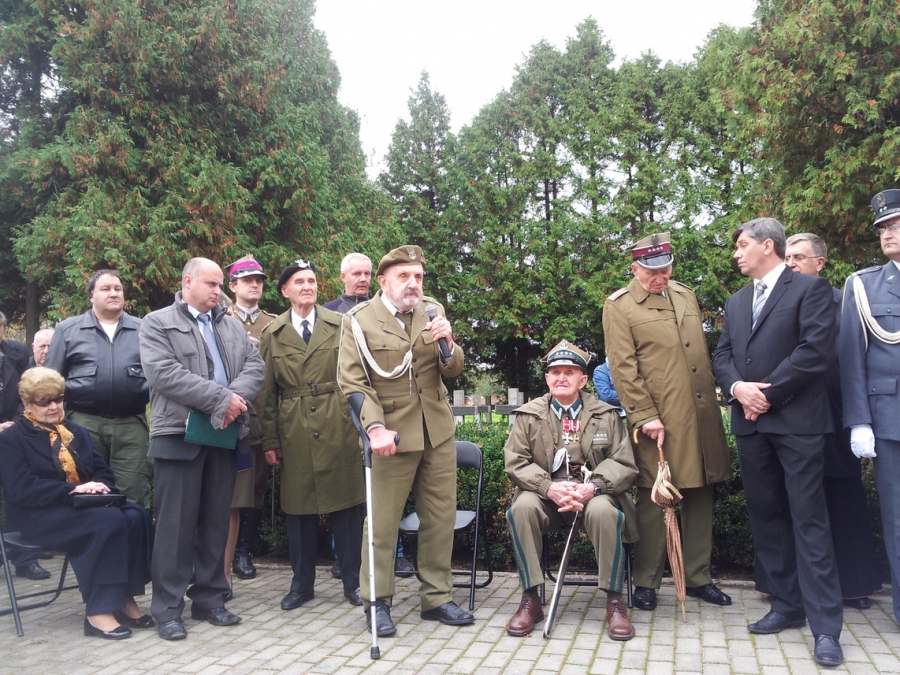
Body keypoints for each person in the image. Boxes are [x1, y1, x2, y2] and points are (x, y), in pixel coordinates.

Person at [713, 217, 843, 667]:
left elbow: (814, 351)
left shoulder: (810, 289)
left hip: (797, 424)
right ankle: (787, 606)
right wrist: (738, 389)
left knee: (810, 521)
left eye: (742, 245)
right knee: (767, 517)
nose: (736, 254)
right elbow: (723, 355)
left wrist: (765, 395)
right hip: (751, 427)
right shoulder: (737, 300)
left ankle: (826, 627)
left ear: (768, 246)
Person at [338, 244, 472, 636]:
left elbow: (453, 369)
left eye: (418, 276)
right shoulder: (359, 320)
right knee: (382, 524)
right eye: (404, 276)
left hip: (436, 433)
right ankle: (377, 601)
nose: (413, 283)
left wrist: (449, 343)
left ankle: (437, 598)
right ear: (383, 281)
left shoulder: (432, 311)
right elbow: (353, 381)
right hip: (390, 435)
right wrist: (374, 428)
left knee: (440, 518)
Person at [603, 233, 732, 612]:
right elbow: (622, 367)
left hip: (701, 415)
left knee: (701, 491)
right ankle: (646, 581)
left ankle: (698, 577)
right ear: (635, 268)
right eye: (651, 272)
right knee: (655, 496)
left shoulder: (685, 295)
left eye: (666, 270)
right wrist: (644, 415)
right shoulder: (619, 306)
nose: (660, 278)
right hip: (659, 419)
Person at [140, 257, 264, 641]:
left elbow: (255, 366)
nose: (218, 291)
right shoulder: (157, 323)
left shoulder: (230, 325)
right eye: (211, 284)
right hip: (178, 435)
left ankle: (210, 600)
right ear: (187, 282)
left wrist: (233, 402)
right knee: (175, 527)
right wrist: (221, 400)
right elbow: (164, 374)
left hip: (224, 435)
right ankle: (167, 609)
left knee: (215, 521)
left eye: (220, 284)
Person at [0, 367, 152, 639]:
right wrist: (73, 490)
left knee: (135, 515)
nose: (53, 407)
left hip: (80, 508)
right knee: (108, 521)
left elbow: (103, 473)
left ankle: (123, 597)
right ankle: (98, 611)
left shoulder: (76, 432)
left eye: (58, 399)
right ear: (27, 404)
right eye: (44, 401)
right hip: (36, 518)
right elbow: (21, 490)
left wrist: (98, 488)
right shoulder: (11, 438)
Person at [505, 340, 638, 640]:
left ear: (583, 380)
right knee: (521, 508)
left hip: (593, 495)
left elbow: (623, 462)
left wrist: (593, 487)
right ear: (547, 378)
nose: (561, 378)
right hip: (545, 496)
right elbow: (516, 462)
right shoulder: (528, 415)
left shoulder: (606, 414)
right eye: (555, 372)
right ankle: (530, 599)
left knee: (605, 511)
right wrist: (548, 487)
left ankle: (615, 601)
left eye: (569, 372)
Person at [778, 233, 880, 608]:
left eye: (799, 257)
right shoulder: (775, 304)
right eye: (787, 257)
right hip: (789, 415)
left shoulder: (844, 303)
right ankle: (787, 588)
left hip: (835, 416)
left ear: (820, 263)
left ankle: (852, 585)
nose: (791, 263)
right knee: (792, 501)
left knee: (842, 499)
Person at [259, 259, 365, 611]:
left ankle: (354, 582)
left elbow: (358, 376)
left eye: (312, 281)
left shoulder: (341, 324)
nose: (308, 286)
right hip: (295, 429)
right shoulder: (273, 334)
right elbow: (266, 393)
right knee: (298, 510)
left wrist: (362, 425)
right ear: (285, 291)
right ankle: (301, 585)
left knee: (347, 508)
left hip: (338, 424)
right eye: (299, 282)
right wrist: (270, 440)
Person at [324, 252, 413, 579]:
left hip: (384, 415)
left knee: (389, 490)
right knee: (347, 488)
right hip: (345, 411)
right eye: (355, 274)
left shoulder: (390, 309)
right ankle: (344, 555)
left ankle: (396, 554)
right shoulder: (329, 314)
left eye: (366, 273)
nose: (362, 279)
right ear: (343, 277)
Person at [839, 188, 900, 627]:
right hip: (890, 420)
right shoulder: (864, 285)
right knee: (897, 519)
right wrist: (859, 420)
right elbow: (851, 359)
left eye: (896, 226)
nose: (887, 234)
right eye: (882, 229)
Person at [44, 270, 151, 509]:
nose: (113, 293)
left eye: (118, 289)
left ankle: (133, 534)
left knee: (134, 492)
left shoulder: (144, 329)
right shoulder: (68, 329)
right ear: (91, 295)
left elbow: (159, 375)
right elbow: (50, 379)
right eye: (106, 289)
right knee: (86, 489)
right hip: (83, 423)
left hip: (131, 424)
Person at [224, 255, 277, 586]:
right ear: (233, 286)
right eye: (247, 280)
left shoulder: (273, 324)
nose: (255, 285)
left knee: (255, 486)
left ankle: (243, 551)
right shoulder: (219, 318)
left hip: (258, 418)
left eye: (258, 280)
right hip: (223, 416)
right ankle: (217, 553)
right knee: (220, 487)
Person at [0, 312, 52, 581]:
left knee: (19, 495)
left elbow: (28, 392)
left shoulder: (16, 353)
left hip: (13, 433)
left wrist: (16, 421)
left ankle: (25, 560)